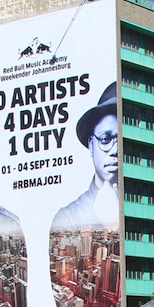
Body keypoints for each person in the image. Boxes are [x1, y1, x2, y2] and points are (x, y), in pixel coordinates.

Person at [52, 83, 120, 231]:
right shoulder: (68, 217)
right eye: (105, 139)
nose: (115, 150)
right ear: (91, 144)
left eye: (122, 141)